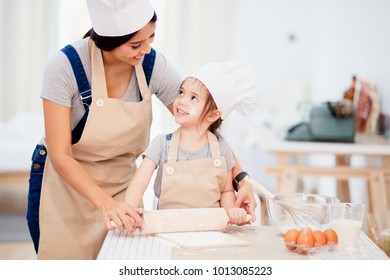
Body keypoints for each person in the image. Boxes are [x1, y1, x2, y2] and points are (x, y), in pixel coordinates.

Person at [26, 0, 257, 260]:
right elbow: (61, 155)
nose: (146, 49)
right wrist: (105, 203)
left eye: (151, 37)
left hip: (122, 187)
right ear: (107, 41)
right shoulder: (64, 67)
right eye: (135, 44)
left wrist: (242, 179)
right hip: (64, 188)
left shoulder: (150, 64)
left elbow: (203, 125)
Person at [120, 61, 259, 227]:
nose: (181, 101)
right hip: (168, 228)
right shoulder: (162, 144)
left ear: (213, 115)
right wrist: (129, 209)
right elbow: (139, 182)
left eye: (193, 98)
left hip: (210, 231)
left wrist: (232, 212)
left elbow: (227, 190)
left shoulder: (221, 148)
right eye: (181, 92)